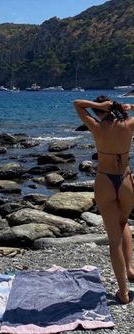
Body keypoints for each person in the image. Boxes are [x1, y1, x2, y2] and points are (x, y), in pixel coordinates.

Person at [74, 97, 134, 304]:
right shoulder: (128, 124)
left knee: (114, 239)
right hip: (126, 180)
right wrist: (130, 107)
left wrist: (98, 107)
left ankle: (124, 293)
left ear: (101, 111)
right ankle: (130, 269)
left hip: (105, 180)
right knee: (123, 222)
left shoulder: (96, 126)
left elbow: (77, 104)